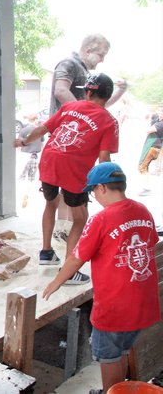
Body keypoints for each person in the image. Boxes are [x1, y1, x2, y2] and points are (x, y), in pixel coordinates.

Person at [43, 162, 160, 393]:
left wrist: (56, 282)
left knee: (108, 356)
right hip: (143, 303)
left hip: (114, 307)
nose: (94, 196)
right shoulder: (143, 210)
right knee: (122, 350)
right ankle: (119, 389)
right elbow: (150, 243)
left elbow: (77, 258)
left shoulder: (101, 219)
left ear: (102, 188)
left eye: (93, 191)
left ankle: (112, 390)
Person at [14, 73, 119, 284]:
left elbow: (43, 129)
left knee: (50, 204)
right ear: (107, 96)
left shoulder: (71, 107)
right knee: (80, 218)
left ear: (88, 91)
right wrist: (106, 186)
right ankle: (69, 271)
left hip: (50, 160)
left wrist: (23, 142)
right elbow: (104, 157)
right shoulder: (109, 121)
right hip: (74, 169)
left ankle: (46, 252)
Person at [49, 34, 128, 241]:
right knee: (66, 187)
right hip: (66, 137)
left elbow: (97, 109)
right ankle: (62, 231)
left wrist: (119, 92)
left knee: (71, 188)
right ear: (87, 50)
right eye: (100, 54)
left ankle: (64, 231)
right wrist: (81, 115)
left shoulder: (85, 73)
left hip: (79, 139)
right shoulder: (69, 64)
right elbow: (60, 90)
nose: (102, 60)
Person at [17, 113, 43, 209]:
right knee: (31, 178)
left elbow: (19, 144)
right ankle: (26, 193)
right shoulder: (39, 130)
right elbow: (42, 145)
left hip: (24, 156)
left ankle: (21, 194)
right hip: (34, 156)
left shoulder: (23, 130)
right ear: (36, 119)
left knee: (21, 177)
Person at [137, 105, 163, 196]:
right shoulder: (159, 121)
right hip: (156, 147)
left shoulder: (160, 124)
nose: (160, 114)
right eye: (159, 111)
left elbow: (147, 130)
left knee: (142, 167)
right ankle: (146, 186)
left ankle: (146, 188)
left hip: (152, 147)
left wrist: (147, 121)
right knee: (145, 166)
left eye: (162, 112)